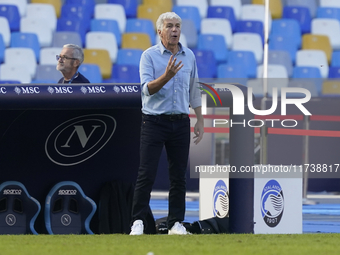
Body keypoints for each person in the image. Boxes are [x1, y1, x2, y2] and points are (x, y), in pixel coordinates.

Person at [129, 12, 204, 235]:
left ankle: (175, 223)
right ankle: (138, 221)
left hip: (180, 122)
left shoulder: (188, 55)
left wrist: (200, 118)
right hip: (154, 121)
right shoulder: (149, 56)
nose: (174, 30)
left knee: (178, 176)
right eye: (170, 26)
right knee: (147, 173)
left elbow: (194, 89)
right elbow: (146, 90)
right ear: (159, 31)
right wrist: (167, 76)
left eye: (178, 26)